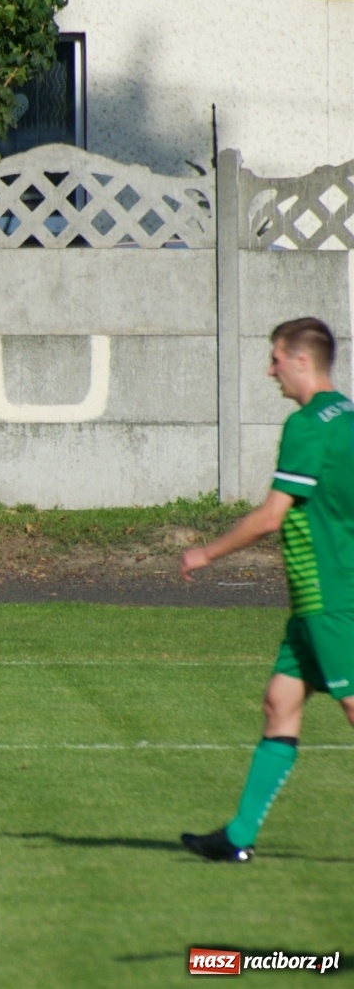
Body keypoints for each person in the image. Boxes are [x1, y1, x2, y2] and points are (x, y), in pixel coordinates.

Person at [180, 317, 354, 861]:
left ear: (302, 360)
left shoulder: (308, 424)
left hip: (330, 596)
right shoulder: (347, 416)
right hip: (314, 601)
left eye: (275, 358)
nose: (269, 370)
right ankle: (237, 837)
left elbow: (271, 516)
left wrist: (206, 552)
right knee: (280, 702)